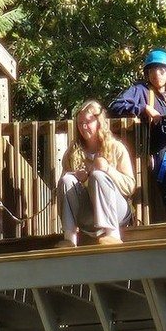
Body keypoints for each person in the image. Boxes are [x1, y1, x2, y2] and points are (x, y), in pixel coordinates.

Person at [109, 48, 166, 221]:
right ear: (147, 73)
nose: (157, 73)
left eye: (162, 70)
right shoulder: (141, 91)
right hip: (162, 151)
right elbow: (116, 106)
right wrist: (142, 108)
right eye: (152, 70)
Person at [57, 100, 136, 246]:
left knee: (98, 175)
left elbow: (130, 186)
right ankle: (69, 238)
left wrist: (108, 170)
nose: (83, 127)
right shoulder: (72, 153)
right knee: (67, 179)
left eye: (88, 122)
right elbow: (63, 189)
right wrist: (78, 179)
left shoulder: (116, 148)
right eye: (80, 123)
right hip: (87, 214)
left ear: (99, 122)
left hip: (117, 211)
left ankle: (112, 235)